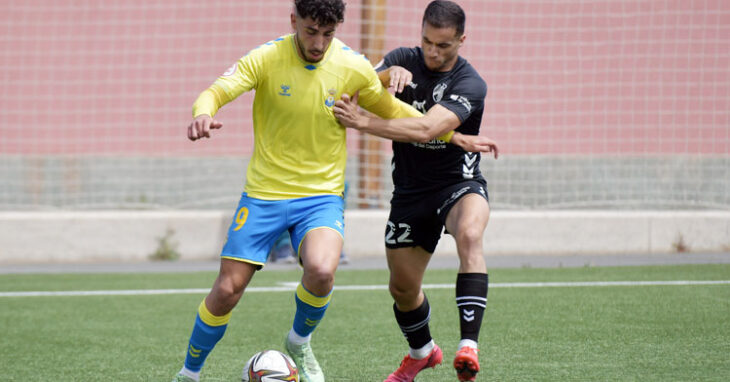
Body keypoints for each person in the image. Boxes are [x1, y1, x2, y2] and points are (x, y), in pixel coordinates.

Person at [173, 1, 481, 381]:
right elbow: (216, 91)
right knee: (227, 289)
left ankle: (299, 342)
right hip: (264, 193)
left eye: (328, 33)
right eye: (310, 31)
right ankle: (189, 373)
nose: (319, 43)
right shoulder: (267, 57)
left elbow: (392, 109)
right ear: (294, 21)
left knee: (321, 271)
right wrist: (203, 113)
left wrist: (452, 135)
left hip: (320, 196)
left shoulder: (352, 66)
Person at [333, 1, 498, 381]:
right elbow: (355, 85)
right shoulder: (402, 58)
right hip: (410, 192)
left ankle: (468, 346)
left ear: (461, 40)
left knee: (470, 233)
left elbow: (426, 128)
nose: (433, 52)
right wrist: (386, 73)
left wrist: (365, 122)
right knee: (403, 289)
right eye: (427, 42)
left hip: (458, 184)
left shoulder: (469, 83)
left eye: (444, 45)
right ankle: (422, 352)